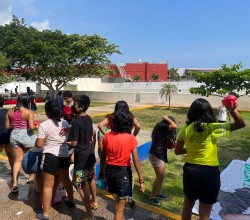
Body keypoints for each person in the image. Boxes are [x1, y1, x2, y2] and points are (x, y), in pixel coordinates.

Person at [175, 98, 245, 220]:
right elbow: (240, 124)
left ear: (191, 111)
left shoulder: (185, 128)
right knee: (205, 213)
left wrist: (193, 148)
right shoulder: (212, 128)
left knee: (187, 206)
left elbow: (178, 151)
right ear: (208, 112)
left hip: (190, 171)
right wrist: (233, 110)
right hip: (209, 173)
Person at [99, 109, 145, 220]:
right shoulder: (130, 138)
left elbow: (103, 157)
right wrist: (141, 180)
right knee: (120, 208)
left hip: (110, 171)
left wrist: (101, 173)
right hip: (123, 173)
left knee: (118, 200)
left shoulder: (107, 136)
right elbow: (136, 160)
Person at [35, 100, 74, 220]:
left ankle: (46, 214)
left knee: (47, 186)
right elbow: (71, 139)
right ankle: (71, 201)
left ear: (47, 112)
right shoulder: (66, 123)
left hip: (50, 156)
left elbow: (39, 145)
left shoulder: (44, 125)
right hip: (64, 156)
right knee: (65, 179)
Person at [68, 95, 96, 220]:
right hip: (89, 153)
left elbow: (74, 143)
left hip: (81, 155)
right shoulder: (88, 118)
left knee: (79, 184)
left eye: (76, 104)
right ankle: (94, 201)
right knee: (90, 178)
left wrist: (65, 141)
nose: (73, 105)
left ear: (82, 106)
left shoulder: (76, 121)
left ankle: (89, 214)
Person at [5, 95, 38, 193]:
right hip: (27, 136)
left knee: (17, 160)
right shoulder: (28, 112)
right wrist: (37, 126)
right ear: (26, 102)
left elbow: (7, 126)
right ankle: (31, 177)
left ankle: (15, 183)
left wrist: (16, 124)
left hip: (14, 135)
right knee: (30, 157)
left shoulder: (10, 111)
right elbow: (32, 127)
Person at [149, 115, 177, 205]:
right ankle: (152, 196)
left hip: (160, 154)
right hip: (156, 154)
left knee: (161, 177)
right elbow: (174, 126)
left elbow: (169, 144)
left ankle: (158, 193)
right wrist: (166, 118)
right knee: (159, 177)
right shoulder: (160, 126)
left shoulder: (163, 129)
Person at [0, 97, 14, 174]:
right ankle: (13, 170)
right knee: (10, 155)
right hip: (8, 136)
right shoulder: (8, 112)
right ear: (4, 103)